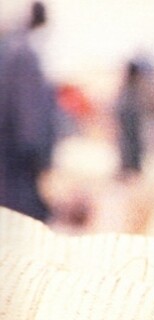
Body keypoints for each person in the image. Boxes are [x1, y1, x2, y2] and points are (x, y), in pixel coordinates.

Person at [0, 0, 58, 220]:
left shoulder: (8, 52)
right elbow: (31, 129)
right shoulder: (23, 56)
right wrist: (44, 167)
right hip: (17, 182)